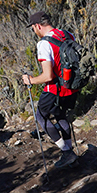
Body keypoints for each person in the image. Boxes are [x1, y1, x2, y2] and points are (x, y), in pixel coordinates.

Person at [21, 10, 77, 168]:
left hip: (54, 89)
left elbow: (48, 76)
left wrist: (30, 80)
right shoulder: (68, 34)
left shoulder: (44, 44)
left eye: (33, 28)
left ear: (37, 26)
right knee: (61, 115)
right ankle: (69, 150)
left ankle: (67, 152)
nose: (34, 31)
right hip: (71, 87)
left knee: (41, 117)